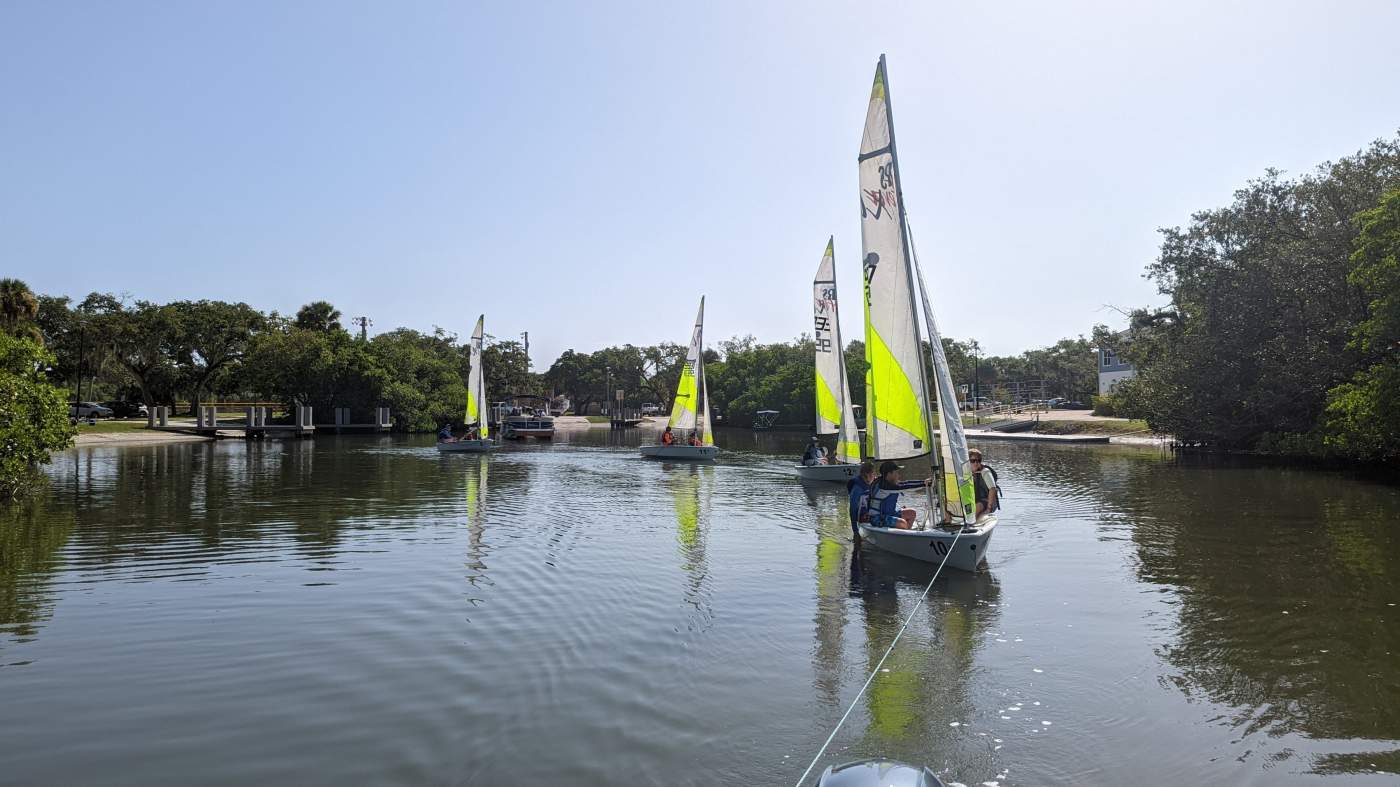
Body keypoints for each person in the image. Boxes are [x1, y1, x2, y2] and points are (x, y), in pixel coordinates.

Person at [865, 460, 931, 529]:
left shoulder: (889, 482)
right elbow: (904, 487)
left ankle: (907, 533)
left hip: (890, 514)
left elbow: (905, 483)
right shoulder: (883, 486)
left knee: (912, 513)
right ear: (889, 474)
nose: (899, 475)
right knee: (902, 523)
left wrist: (924, 482)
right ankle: (905, 534)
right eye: (896, 472)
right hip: (877, 518)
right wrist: (924, 484)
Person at [846, 461, 878, 542]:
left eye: (872, 475)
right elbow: (852, 509)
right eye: (865, 476)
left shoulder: (874, 483)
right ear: (863, 475)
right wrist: (855, 531)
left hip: (873, 513)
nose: (868, 479)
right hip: (863, 517)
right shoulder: (857, 489)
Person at [968, 448, 999, 517]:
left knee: (977, 506)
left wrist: (988, 508)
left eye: (978, 461)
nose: (976, 463)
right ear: (968, 461)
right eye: (973, 461)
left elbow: (992, 489)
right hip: (973, 500)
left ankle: (970, 525)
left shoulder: (985, 471)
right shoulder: (966, 473)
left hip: (988, 500)